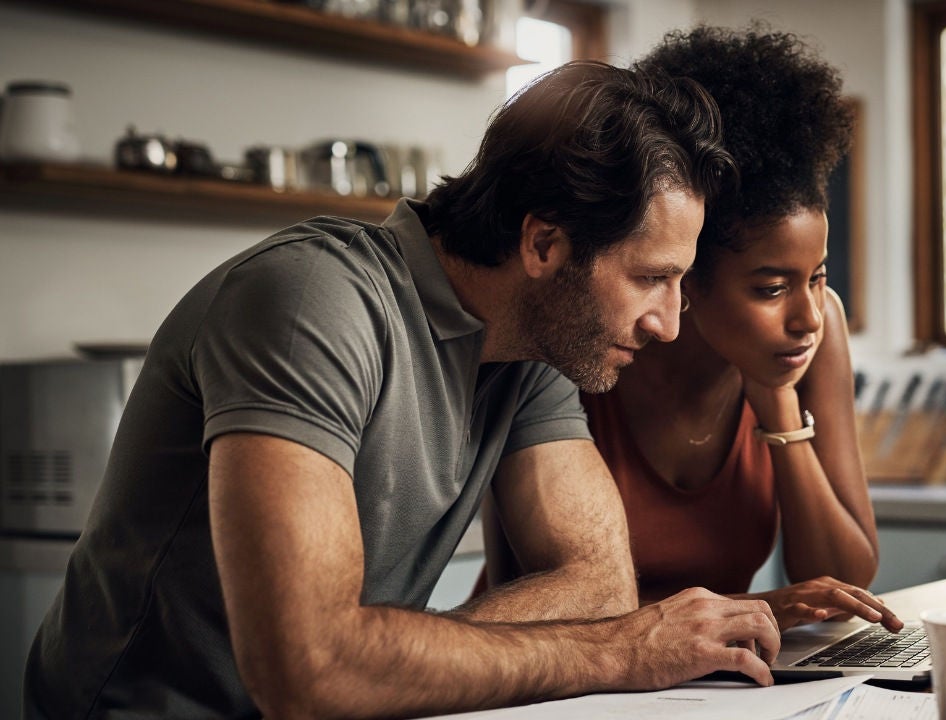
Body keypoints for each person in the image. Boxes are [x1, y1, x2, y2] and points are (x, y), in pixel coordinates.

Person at [23, 61, 783, 720]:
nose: (670, 324)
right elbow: (310, 669)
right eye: (652, 278)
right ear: (544, 244)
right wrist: (616, 656)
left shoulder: (534, 350)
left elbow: (599, 584)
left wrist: (393, 660)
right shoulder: (311, 300)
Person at [479, 27, 903, 634]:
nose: (808, 316)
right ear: (686, 276)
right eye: (770, 288)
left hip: (703, 680)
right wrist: (749, 610)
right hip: (553, 680)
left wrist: (778, 406)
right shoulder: (583, 342)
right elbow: (524, 601)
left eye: (818, 277)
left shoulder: (812, 333)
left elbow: (846, 580)